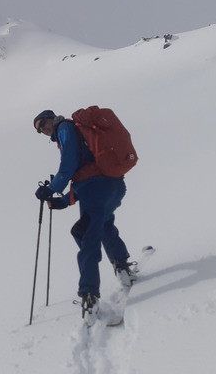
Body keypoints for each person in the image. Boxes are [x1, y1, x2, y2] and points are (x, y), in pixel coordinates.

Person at [32, 109, 136, 318]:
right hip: (111, 185)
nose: (42, 130)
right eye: (39, 129)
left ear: (52, 118)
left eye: (42, 124)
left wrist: (51, 188)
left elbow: (69, 166)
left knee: (86, 235)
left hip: (97, 188)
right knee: (102, 225)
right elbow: (86, 174)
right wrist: (61, 201)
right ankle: (122, 266)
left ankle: (89, 296)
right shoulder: (73, 132)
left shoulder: (65, 129)